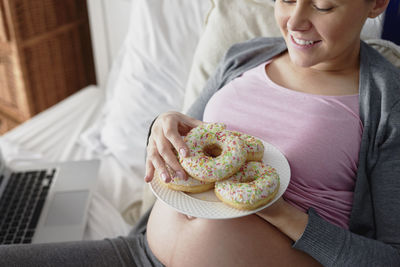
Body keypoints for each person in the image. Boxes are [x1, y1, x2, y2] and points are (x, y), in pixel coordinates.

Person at [0, 0, 399, 266]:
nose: (295, 21)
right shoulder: (243, 56)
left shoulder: (388, 103)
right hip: (138, 254)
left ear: (376, 2)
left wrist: (279, 212)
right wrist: (159, 127)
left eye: (324, 4)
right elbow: (177, 152)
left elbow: (389, 258)